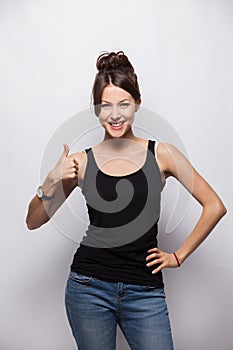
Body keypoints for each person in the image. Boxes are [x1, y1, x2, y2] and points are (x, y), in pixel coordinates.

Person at [26, 50, 227, 350]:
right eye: (106, 105)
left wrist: (178, 256)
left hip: (145, 291)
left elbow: (215, 206)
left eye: (124, 104)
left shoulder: (163, 154)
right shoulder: (81, 162)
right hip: (88, 288)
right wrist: (51, 180)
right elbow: (33, 221)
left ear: (137, 104)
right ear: (96, 110)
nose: (115, 114)